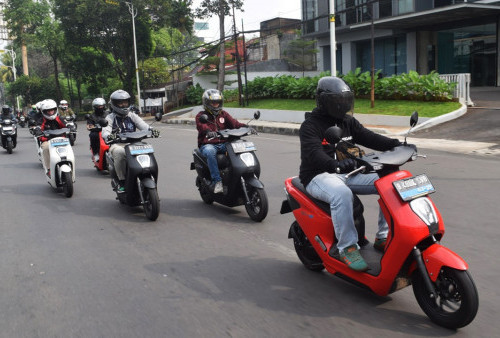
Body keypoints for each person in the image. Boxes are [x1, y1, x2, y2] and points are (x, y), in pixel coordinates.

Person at [299, 76, 402, 272]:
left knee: (390, 181)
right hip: (318, 176)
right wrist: (335, 164)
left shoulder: (347, 121)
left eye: (344, 100)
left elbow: (369, 137)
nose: (341, 104)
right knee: (342, 194)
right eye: (336, 100)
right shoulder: (311, 125)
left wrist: (397, 145)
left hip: (348, 172)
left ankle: (383, 235)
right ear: (323, 101)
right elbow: (314, 153)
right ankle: (347, 248)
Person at [101, 89, 158, 192]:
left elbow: (144, 126)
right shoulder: (110, 118)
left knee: (148, 149)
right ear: (114, 104)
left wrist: (151, 131)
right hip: (118, 144)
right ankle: (122, 181)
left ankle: (150, 175)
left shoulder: (132, 115)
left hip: (134, 144)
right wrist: (108, 136)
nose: (123, 105)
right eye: (120, 103)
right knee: (119, 152)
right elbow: (105, 131)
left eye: (125, 102)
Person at [195, 89, 248, 194]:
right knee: (210, 152)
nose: (216, 105)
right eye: (213, 102)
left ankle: (237, 175)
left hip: (224, 144)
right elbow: (202, 126)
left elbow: (235, 124)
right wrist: (208, 131)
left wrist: (247, 127)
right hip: (208, 144)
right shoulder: (201, 115)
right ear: (206, 103)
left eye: (217, 102)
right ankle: (217, 182)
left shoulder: (223, 114)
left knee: (239, 146)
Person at [38, 99, 67, 177]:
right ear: (44, 112)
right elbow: (38, 128)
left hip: (61, 140)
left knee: (69, 147)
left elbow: (66, 124)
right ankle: (49, 169)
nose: (51, 112)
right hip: (48, 141)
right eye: (48, 111)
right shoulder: (41, 120)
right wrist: (37, 131)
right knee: (46, 148)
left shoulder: (59, 118)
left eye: (52, 110)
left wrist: (70, 126)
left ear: (55, 110)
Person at [86, 97, 108, 162]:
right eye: (98, 106)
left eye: (102, 106)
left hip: (108, 130)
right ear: (95, 107)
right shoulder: (91, 116)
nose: (100, 107)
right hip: (97, 131)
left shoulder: (108, 113)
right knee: (93, 135)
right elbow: (89, 126)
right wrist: (93, 127)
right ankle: (95, 153)